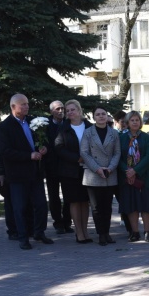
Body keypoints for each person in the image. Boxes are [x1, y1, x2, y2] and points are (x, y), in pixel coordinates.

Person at [0, 94, 53, 250]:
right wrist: (28, 156)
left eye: (27, 103)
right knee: (19, 207)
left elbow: (43, 140)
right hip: (17, 175)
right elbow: (5, 151)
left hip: (35, 172)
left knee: (41, 205)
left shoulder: (33, 122)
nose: (27, 106)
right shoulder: (5, 127)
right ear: (13, 107)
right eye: (23, 104)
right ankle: (23, 238)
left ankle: (39, 232)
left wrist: (44, 148)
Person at [54, 99, 93, 244]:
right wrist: (77, 158)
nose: (70, 112)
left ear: (79, 110)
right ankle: (79, 232)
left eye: (72, 109)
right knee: (75, 201)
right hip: (69, 171)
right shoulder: (63, 128)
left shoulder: (89, 126)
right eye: (67, 110)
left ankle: (85, 231)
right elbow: (59, 148)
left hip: (88, 170)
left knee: (85, 201)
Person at [80, 106, 120, 246]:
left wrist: (110, 168)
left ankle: (107, 233)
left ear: (107, 116)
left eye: (103, 114)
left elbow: (117, 153)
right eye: (98, 114)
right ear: (94, 117)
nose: (101, 116)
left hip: (109, 173)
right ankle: (101, 234)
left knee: (107, 206)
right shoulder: (88, 132)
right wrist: (97, 169)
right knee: (96, 207)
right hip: (93, 174)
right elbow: (84, 152)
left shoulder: (114, 133)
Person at [118, 111, 149, 242]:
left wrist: (135, 170)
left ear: (140, 122)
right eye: (132, 120)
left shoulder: (146, 137)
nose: (135, 122)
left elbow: (148, 156)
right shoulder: (122, 138)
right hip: (127, 177)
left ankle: (147, 232)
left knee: (146, 204)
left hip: (145, 175)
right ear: (128, 123)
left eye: (137, 120)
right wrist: (127, 171)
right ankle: (135, 232)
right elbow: (118, 157)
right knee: (131, 204)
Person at [44, 100, 72, 234]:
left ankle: (67, 222)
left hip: (67, 165)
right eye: (57, 109)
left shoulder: (69, 123)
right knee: (54, 196)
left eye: (62, 108)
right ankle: (58, 223)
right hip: (52, 166)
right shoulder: (45, 125)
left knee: (68, 196)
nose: (61, 111)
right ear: (51, 111)